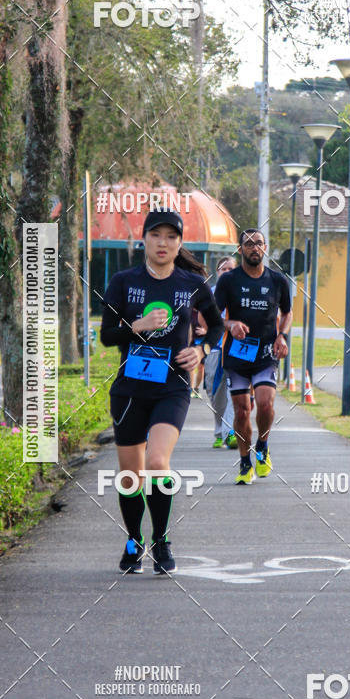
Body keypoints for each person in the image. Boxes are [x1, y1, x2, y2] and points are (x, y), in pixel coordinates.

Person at [100, 209, 223, 574]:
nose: (163, 243)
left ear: (180, 243)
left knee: (157, 463)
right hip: (129, 390)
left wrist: (200, 350)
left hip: (172, 388)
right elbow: (107, 335)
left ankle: (162, 539)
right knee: (130, 476)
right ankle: (134, 539)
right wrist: (136, 325)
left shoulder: (192, 284)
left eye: (172, 237)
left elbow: (216, 326)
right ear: (145, 239)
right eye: (157, 235)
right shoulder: (123, 281)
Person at [214, 228, 292, 484]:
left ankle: (263, 445)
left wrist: (282, 336)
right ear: (240, 249)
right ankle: (245, 461)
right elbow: (215, 315)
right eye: (248, 244)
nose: (254, 248)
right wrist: (231, 324)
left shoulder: (277, 281)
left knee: (266, 403)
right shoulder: (228, 281)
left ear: (265, 248)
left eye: (258, 243)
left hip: (266, 352)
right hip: (237, 353)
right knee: (241, 411)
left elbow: (287, 312)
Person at [201, 255, 238, 448]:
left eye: (231, 269)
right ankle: (219, 430)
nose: (227, 272)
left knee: (236, 389)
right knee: (214, 392)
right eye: (224, 269)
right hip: (215, 348)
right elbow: (202, 318)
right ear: (218, 272)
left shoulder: (242, 291)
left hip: (237, 349)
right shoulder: (211, 293)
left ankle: (230, 432)